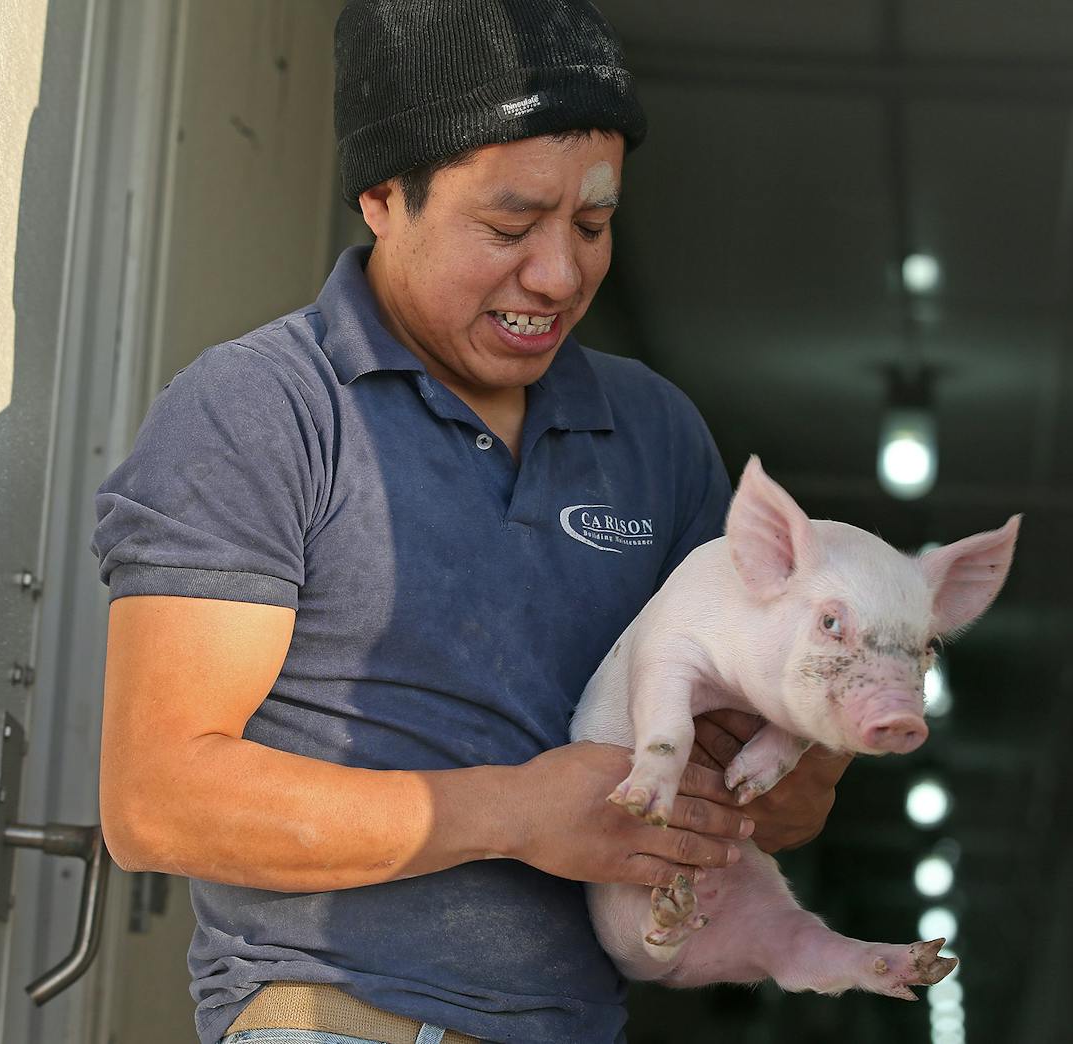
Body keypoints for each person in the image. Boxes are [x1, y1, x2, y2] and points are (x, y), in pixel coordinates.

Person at [91, 2, 850, 1042]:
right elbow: (158, 801)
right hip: (333, 1020)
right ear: (380, 198)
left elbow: (783, 819)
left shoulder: (656, 435)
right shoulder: (264, 409)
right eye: (507, 227)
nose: (557, 274)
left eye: (591, 225)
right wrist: (516, 815)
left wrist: (823, 703)